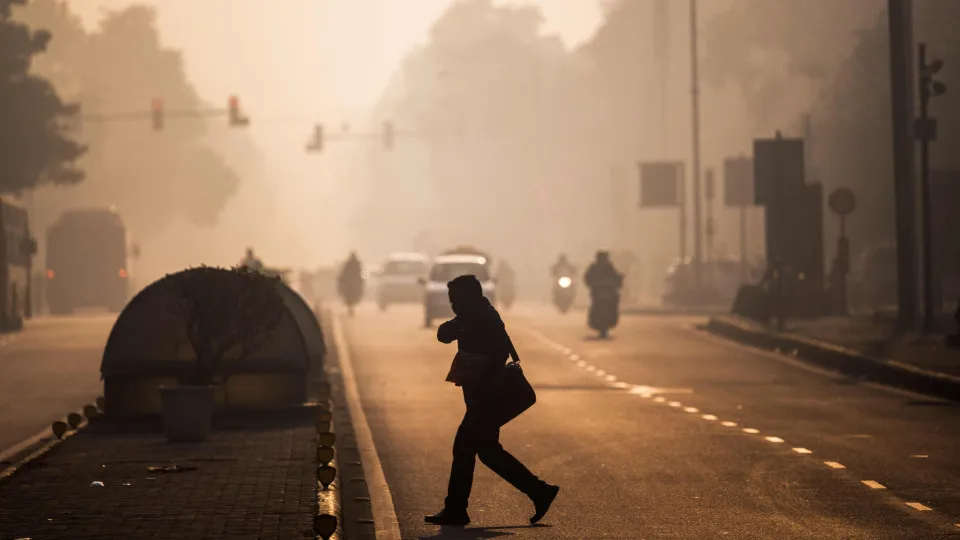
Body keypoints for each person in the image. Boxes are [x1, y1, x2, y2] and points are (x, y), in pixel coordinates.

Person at [426, 274, 559, 527]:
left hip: (486, 400)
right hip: (483, 399)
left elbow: (453, 336)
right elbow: (444, 334)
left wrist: (460, 326)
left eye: (455, 299)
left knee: (464, 447)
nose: (453, 304)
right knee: (488, 452)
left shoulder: (481, 318)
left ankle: (456, 509)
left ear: (468, 297)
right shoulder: (475, 315)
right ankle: (539, 491)